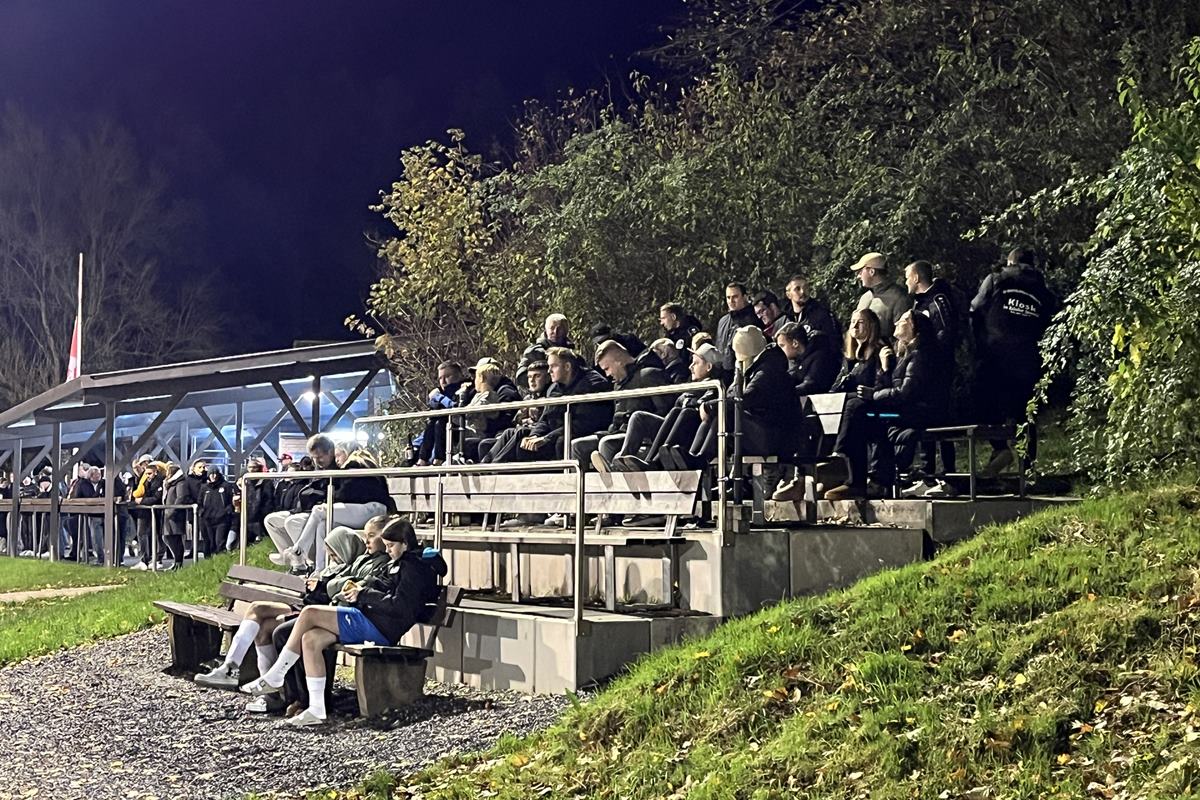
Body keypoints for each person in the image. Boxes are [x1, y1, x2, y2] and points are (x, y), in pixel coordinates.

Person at [240, 517, 448, 727]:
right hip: (371, 619)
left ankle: (277, 674)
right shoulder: (400, 562)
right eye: (386, 545)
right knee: (311, 638)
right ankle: (317, 709)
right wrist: (362, 589)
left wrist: (364, 594)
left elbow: (399, 607)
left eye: (391, 546)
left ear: (405, 543)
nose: (388, 551)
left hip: (379, 627)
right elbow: (384, 587)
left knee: (310, 613)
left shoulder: (413, 568)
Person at [193, 520, 387, 711]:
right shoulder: (345, 566)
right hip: (308, 606)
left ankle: (274, 689)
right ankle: (240, 673)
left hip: (317, 610)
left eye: (334, 554)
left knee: (270, 625)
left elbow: (337, 592)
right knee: (258, 610)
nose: (331, 557)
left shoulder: (360, 564)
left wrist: (321, 586)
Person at [825, 312, 940, 500]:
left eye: (903, 320)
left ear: (914, 328)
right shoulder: (903, 353)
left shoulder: (919, 356)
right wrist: (884, 373)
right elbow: (889, 387)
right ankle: (855, 477)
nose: (897, 322)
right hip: (897, 408)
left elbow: (905, 393)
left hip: (913, 412)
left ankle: (845, 462)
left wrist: (875, 391)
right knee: (857, 412)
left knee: (858, 409)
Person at [970, 246, 1057, 474]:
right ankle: (1027, 470)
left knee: (985, 403)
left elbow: (976, 308)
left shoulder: (996, 280)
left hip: (995, 355)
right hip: (1029, 360)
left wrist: (980, 340)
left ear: (1010, 263)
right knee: (1025, 414)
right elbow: (1052, 323)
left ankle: (1000, 449)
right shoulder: (1043, 291)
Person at [268, 435, 391, 571]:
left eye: (338, 455)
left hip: (372, 509)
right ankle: (320, 569)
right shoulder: (358, 464)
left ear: (346, 452)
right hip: (366, 508)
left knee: (320, 510)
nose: (336, 460)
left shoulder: (354, 464)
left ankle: (299, 550)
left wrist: (330, 498)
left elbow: (345, 494)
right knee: (323, 525)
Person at [611, 343, 727, 471]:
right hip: (674, 426)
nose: (690, 367)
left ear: (709, 367)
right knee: (639, 416)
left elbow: (701, 407)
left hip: (690, 430)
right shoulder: (692, 385)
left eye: (696, 363)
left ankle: (654, 462)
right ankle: (633, 460)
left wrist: (689, 402)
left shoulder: (715, 387)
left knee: (684, 412)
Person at [485, 347, 612, 463]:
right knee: (520, 435)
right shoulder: (555, 388)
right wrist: (534, 435)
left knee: (557, 443)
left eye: (553, 366)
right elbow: (546, 418)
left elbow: (582, 423)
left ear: (567, 366)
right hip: (557, 432)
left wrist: (546, 438)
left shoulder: (592, 384)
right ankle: (486, 467)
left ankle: (492, 471)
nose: (549, 370)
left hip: (578, 431)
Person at [904, 260, 963, 490]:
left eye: (907, 277)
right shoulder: (919, 303)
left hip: (938, 373)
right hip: (923, 373)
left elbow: (946, 334)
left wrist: (931, 361)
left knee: (942, 423)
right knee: (926, 423)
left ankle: (949, 477)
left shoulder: (938, 301)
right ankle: (927, 476)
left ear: (916, 278)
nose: (906, 282)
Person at [574, 340, 672, 472]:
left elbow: (666, 412)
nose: (607, 375)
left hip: (643, 437)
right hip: (618, 433)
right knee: (578, 445)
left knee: (607, 444)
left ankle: (613, 479)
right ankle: (581, 483)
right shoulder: (618, 385)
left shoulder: (649, 375)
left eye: (607, 369)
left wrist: (629, 418)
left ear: (619, 361)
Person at [461, 361, 521, 462]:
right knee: (466, 442)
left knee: (477, 443)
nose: (473, 381)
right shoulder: (478, 394)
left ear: (481, 378)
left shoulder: (490, 395)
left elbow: (468, 414)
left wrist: (462, 397)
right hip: (477, 431)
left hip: (485, 433)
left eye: (475, 377)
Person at [415, 361, 470, 466]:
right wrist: (416, 444)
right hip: (442, 432)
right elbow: (430, 425)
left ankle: (438, 460)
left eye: (447, 376)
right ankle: (423, 459)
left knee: (440, 422)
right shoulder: (440, 393)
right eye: (440, 378)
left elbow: (455, 407)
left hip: (462, 429)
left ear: (459, 375)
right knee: (434, 422)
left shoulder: (465, 388)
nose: (443, 381)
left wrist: (438, 397)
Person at [850, 252, 911, 342]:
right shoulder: (864, 298)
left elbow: (903, 337)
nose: (858, 276)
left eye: (860, 271)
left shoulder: (899, 297)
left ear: (872, 272)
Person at [831, 308, 893, 394]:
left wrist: (871, 392)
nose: (855, 326)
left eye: (860, 322)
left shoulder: (880, 351)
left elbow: (884, 384)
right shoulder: (850, 353)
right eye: (853, 322)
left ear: (871, 326)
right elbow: (838, 384)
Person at [775, 322, 839, 397]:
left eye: (782, 346)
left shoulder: (820, 357)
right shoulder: (801, 360)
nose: (779, 351)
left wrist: (784, 393)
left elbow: (811, 385)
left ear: (795, 343)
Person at [780, 274, 842, 348]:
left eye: (805, 287)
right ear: (788, 295)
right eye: (797, 289)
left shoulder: (820, 313)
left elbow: (834, 341)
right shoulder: (785, 318)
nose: (802, 291)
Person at [715, 282, 760, 372]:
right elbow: (719, 347)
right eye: (728, 297)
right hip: (723, 373)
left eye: (735, 297)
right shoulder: (723, 321)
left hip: (744, 370)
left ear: (744, 297)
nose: (731, 301)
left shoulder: (754, 318)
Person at [67, 465, 105, 564]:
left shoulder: (103, 483)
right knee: (91, 536)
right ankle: (96, 556)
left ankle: (97, 556)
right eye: (96, 475)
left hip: (102, 512)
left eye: (99, 474)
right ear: (90, 476)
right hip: (87, 513)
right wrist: (98, 492)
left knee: (95, 535)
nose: (98, 476)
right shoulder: (83, 484)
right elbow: (87, 497)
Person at [199, 467, 235, 555]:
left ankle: (221, 560)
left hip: (222, 520)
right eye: (211, 474)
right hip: (208, 519)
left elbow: (230, 501)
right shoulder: (204, 487)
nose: (213, 476)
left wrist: (227, 511)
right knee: (210, 543)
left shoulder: (226, 486)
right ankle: (210, 560)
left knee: (220, 542)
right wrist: (201, 512)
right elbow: (200, 502)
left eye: (215, 474)